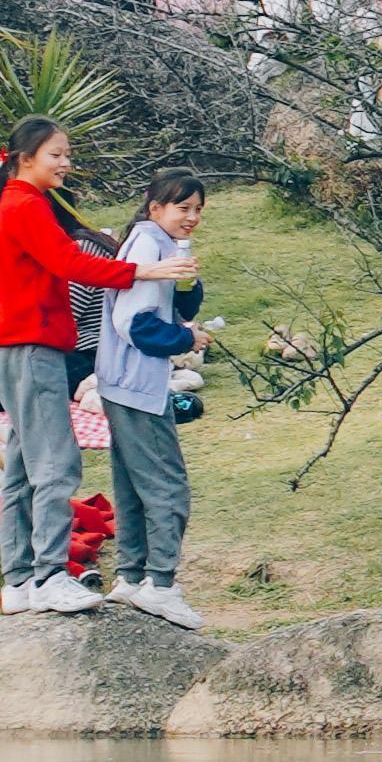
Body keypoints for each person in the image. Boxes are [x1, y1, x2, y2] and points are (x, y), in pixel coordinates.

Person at [0, 120, 160, 617]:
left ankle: (19, 581)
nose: (66, 163)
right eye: (57, 154)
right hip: (33, 351)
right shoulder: (25, 204)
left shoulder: (4, 208)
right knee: (56, 465)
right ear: (26, 157)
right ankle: (50, 574)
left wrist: (14, 305)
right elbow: (71, 263)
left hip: (11, 352)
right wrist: (144, 270)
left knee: (24, 471)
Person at [91, 171, 214, 626]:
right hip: (136, 385)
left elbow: (177, 306)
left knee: (131, 483)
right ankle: (160, 583)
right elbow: (135, 323)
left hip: (121, 382)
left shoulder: (158, 244)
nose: (192, 217)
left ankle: (129, 576)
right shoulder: (147, 246)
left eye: (198, 209)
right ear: (155, 207)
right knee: (167, 486)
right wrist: (186, 337)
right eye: (183, 208)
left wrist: (188, 290)